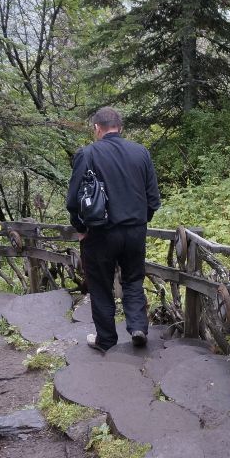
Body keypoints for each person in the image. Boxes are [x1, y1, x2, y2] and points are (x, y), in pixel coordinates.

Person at [66, 107, 161, 352]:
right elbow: (153, 199)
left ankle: (106, 340)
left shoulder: (87, 154)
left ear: (97, 128)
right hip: (135, 231)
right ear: (121, 127)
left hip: (100, 233)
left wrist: (81, 228)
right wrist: (141, 221)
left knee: (100, 285)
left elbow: (73, 201)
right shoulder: (141, 152)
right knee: (133, 279)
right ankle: (138, 326)